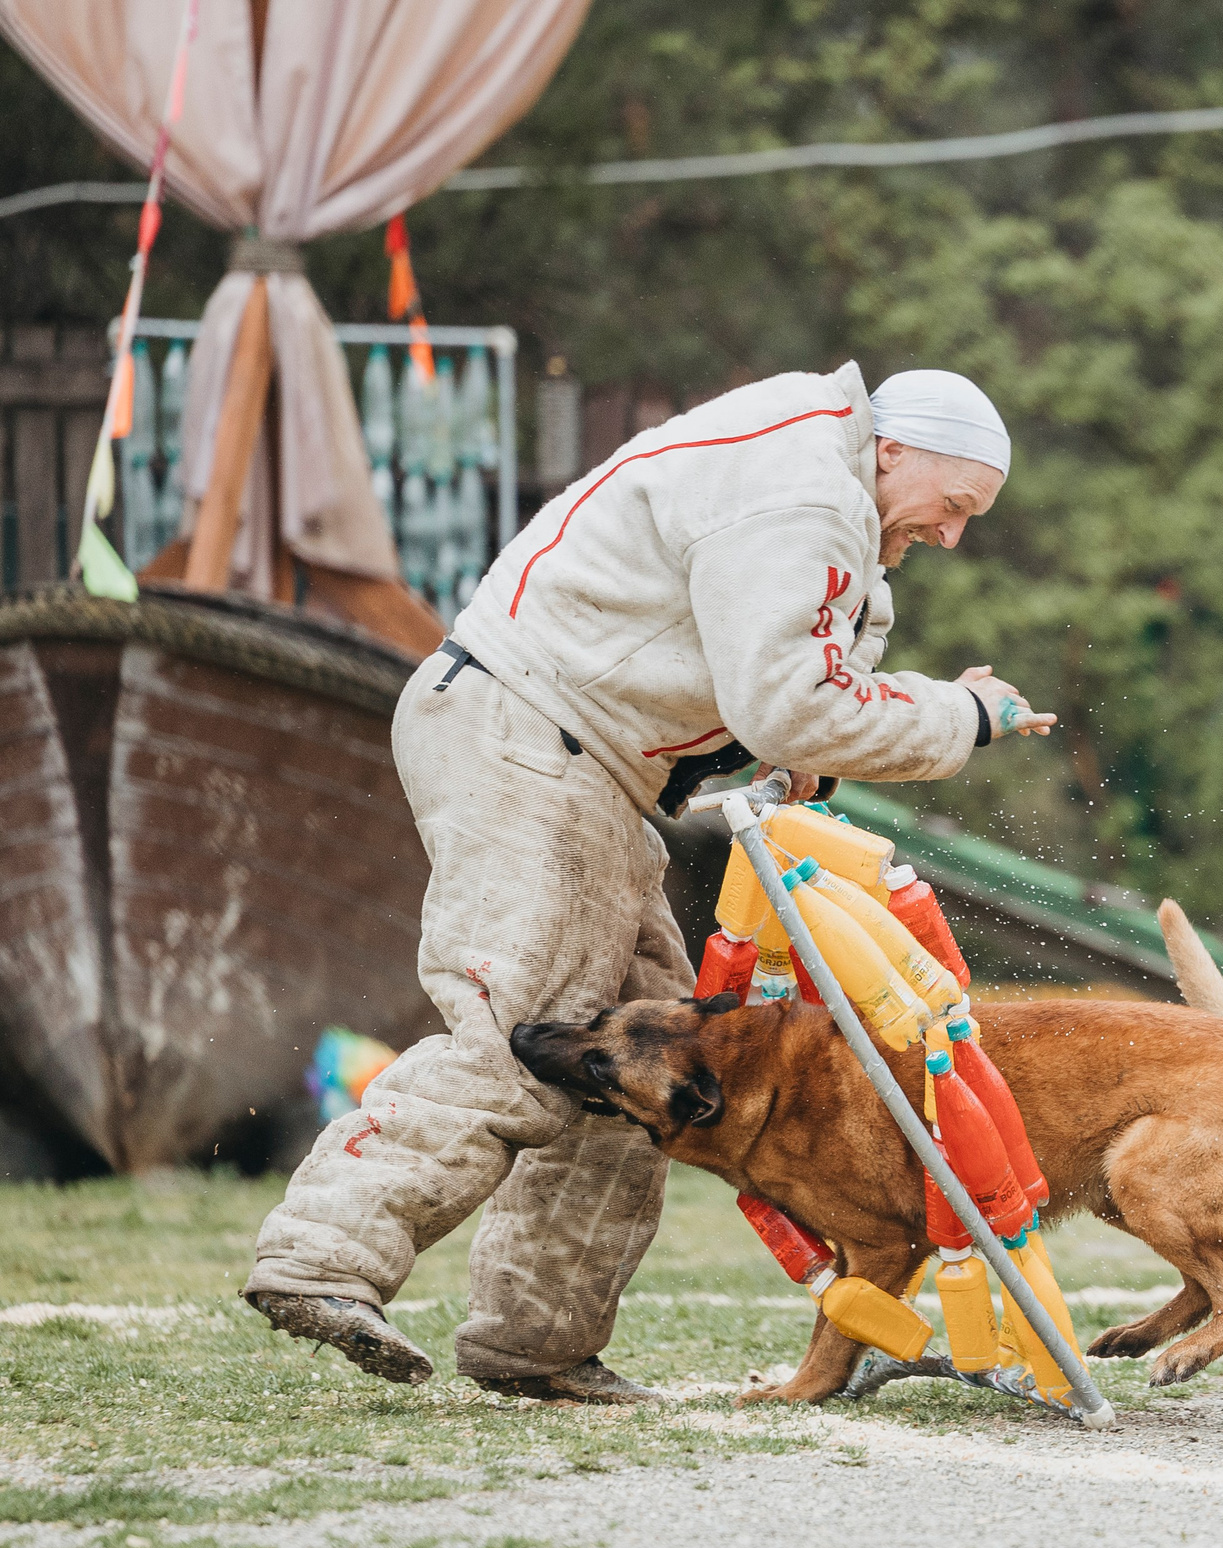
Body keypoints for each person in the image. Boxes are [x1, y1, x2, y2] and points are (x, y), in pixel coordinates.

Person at [240, 362, 1052, 1402]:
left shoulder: (817, 469)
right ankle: (321, 1260)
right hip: (533, 739)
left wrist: (817, 732)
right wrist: (958, 717)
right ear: (897, 452)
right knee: (522, 1028)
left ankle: (536, 1342)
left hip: (576, 756)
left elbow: (793, 676)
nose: (952, 535)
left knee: (649, 1060)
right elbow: (787, 703)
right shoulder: (803, 490)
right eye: (955, 506)